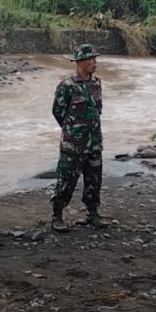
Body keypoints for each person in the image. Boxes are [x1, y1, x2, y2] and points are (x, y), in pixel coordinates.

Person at [50, 44, 107, 233]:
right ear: (80, 63)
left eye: (95, 59)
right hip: (73, 144)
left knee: (94, 179)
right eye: (91, 60)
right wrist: (71, 130)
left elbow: (98, 111)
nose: (94, 63)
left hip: (94, 142)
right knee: (66, 180)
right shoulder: (67, 85)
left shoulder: (96, 83)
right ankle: (57, 215)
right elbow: (57, 111)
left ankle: (93, 213)